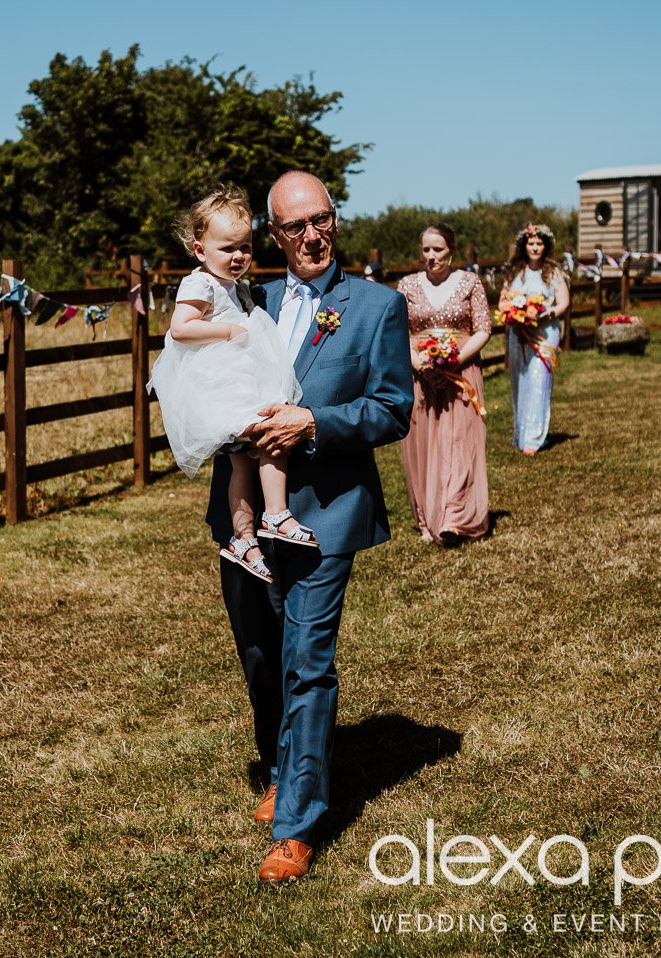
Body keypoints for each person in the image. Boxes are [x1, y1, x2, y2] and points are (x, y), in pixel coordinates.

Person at [206, 171, 413, 881]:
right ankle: (279, 765)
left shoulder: (376, 307)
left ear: (335, 219)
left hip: (326, 513)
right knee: (261, 655)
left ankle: (297, 822)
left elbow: (392, 409)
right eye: (295, 227)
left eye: (321, 220)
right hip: (241, 516)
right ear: (273, 235)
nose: (312, 236)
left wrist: (314, 423)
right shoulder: (245, 298)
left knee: (307, 661)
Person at [148, 186, 314, 584]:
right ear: (200, 249)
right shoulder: (200, 284)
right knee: (266, 435)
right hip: (223, 381)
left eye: (245, 247)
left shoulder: (234, 285)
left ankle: (245, 537)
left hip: (242, 376)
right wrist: (227, 330)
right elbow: (180, 328)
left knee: (242, 458)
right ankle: (274, 514)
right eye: (228, 249)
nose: (238, 256)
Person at [396, 223, 491, 544]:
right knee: (422, 447)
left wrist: (454, 359)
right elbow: (397, 331)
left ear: (451, 249)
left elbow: (483, 328)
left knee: (460, 443)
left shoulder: (470, 283)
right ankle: (426, 518)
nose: (431, 256)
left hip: (461, 374)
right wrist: (419, 362)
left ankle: (454, 516)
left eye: (438, 249)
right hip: (419, 376)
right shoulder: (407, 286)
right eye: (426, 250)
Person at [502, 223, 570, 455]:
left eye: (539, 243)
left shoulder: (553, 271)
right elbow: (503, 300)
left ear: (546, 246)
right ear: (524, 245)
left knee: (539, 379)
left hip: (544, 331)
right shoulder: (515, 272)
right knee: (520, 379)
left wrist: (545, 314)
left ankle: (535, 437)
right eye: (531, 243)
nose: (535, 248)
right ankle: (521, 432)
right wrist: (514, 314)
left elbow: (563, 303)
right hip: (519, 331)